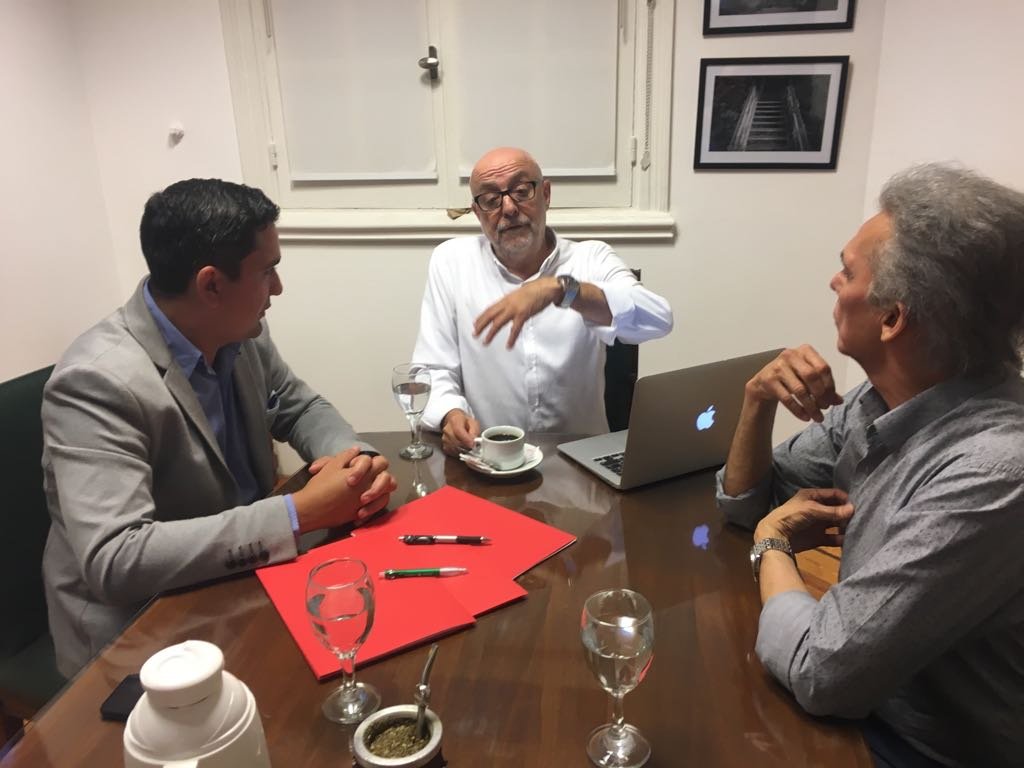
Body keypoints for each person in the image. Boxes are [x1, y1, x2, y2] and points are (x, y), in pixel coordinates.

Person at [716, 163, 1024, 767]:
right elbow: (746, 502)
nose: (833, 282)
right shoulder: (881, 398)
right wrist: (755, 401)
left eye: (849, 271)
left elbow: (821, 669)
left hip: (918, 749)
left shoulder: (994, 474)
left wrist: (771, 545)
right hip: (867, 708)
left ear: (893, 318)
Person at [41, 179, 396, 676]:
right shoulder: (95, 381)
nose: (277, 288)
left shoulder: (239, 330)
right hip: (141, 633)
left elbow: (300, 407)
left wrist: (354, 462)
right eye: (267, 270)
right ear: (211, 285)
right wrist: (297, 514)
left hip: (239, 584)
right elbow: (116, 560)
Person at [412, 147, 673, 455]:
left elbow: (658, 319)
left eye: (522, 191)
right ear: (478, 212)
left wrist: (564, 290)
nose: (509, 208)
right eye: (491, 199)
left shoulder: (591, 258)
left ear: (546, 194)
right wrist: (450, 414)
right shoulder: (451, 262)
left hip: (580, 460)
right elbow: (433, 367)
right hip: (490, 459)